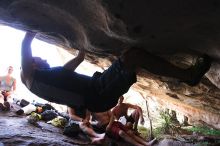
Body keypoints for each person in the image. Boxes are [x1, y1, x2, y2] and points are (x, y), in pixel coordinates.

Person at [20, 32, 212, 112]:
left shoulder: (54, 74)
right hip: (97, 94)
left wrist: (80, 41)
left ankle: (186, 76)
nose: (43, 58)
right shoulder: (31, 79)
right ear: (32, 65)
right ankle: (189, 76)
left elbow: (78, 58)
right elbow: (26, 41)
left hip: (98, 89)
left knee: (131, 58)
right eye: (37, 58)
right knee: (132, 56)